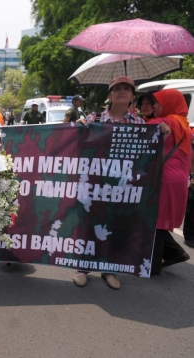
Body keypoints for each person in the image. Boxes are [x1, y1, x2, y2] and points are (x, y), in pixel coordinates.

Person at [74, 76, 145, 290]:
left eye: (126, 89)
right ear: (109, 95)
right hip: (95, 183)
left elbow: (146, 154)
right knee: (89, 223)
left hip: (122, 187)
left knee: (115, 226)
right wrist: (78, 127)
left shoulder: (140, 124)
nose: (122, 91)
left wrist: (160, 133)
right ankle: (82, 268)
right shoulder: (94, 118)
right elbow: (79, 143)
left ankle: (109, 270)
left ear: (133, 96)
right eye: (117, 88)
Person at [145, 89, 192, 274]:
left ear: (169, 103)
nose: (153, 106)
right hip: (180, 179)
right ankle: (175, 253)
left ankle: (153, 266)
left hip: (163, 178)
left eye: (157, 102)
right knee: (160, 219)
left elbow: (133, 132)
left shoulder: (163, 122)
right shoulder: (186, 125)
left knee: (155, 221)